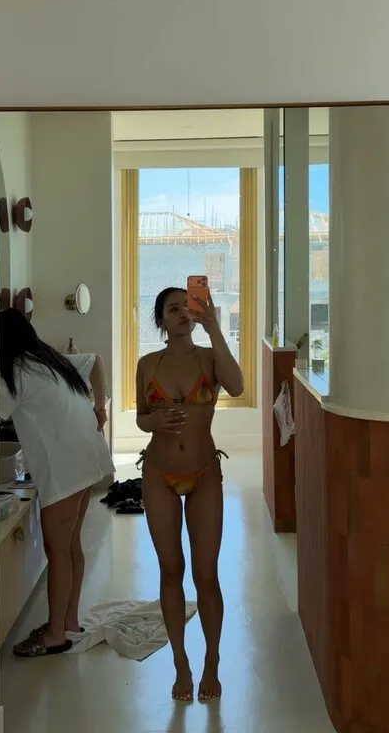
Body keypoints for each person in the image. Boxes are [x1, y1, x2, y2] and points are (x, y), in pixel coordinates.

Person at [136, 287, 244, 702]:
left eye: (189, 306)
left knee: (206, 574)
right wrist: (153, 423)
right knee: (170, 570)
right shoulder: (148, 364)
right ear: (161, 321)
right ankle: (181, 662)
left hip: (204, 474)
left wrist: (214, 327)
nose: (183, 313)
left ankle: (212, 659)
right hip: (159, 474)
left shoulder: (209, 358)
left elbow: (237, 386)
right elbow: (141, 417)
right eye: (173, 308)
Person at [0, 308, 114, 657]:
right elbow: (97, 362)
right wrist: (100, 409)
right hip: (88, 456)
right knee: (70, 545)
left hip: (65, 467)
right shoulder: (50, 360)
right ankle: (69, 622)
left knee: (57, 551)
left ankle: (54, 634)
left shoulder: (12, 373)